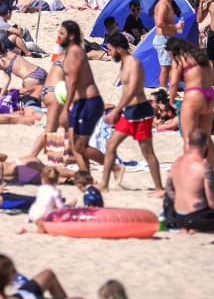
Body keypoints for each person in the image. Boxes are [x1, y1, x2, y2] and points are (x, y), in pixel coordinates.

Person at [101, 33, 161, 193]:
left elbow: (133, 90)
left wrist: (116, 111)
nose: (109, 53)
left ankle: (159, 189)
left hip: (140, 112)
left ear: (120, 49)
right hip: (129, 112)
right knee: (110, 145)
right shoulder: (123, 63)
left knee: (147, 153)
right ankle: (104, 185)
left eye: (111, 50)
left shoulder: (133, 63)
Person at [56, 21, 104, 173]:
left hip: (88, 102)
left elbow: (74, 81)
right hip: (78, 103)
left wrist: (65, 109)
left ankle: (114, 166)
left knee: (79, 146)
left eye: (62, 33)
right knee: (74, 146)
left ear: (71, 36)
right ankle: (87, 179)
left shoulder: (76, 51)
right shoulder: (69, 52)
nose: (59, 36)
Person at [163, 130, 214, 232]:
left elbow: (169, 191)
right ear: (206, 144)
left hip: (178, 217)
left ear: (188, 142)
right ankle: (192, 228)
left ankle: (186, 228)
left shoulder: (177, 163)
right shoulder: (205, 167)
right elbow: (213, 203)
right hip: (196, 217)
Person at [152, 0, 181, 90]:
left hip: (167, 39)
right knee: (165, 68)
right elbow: (159, 23)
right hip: (162, 39)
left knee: (171, 66)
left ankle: (169, 89)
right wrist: (175, 27)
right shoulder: (163, 5)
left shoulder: (168, 4)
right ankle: (163, 91)